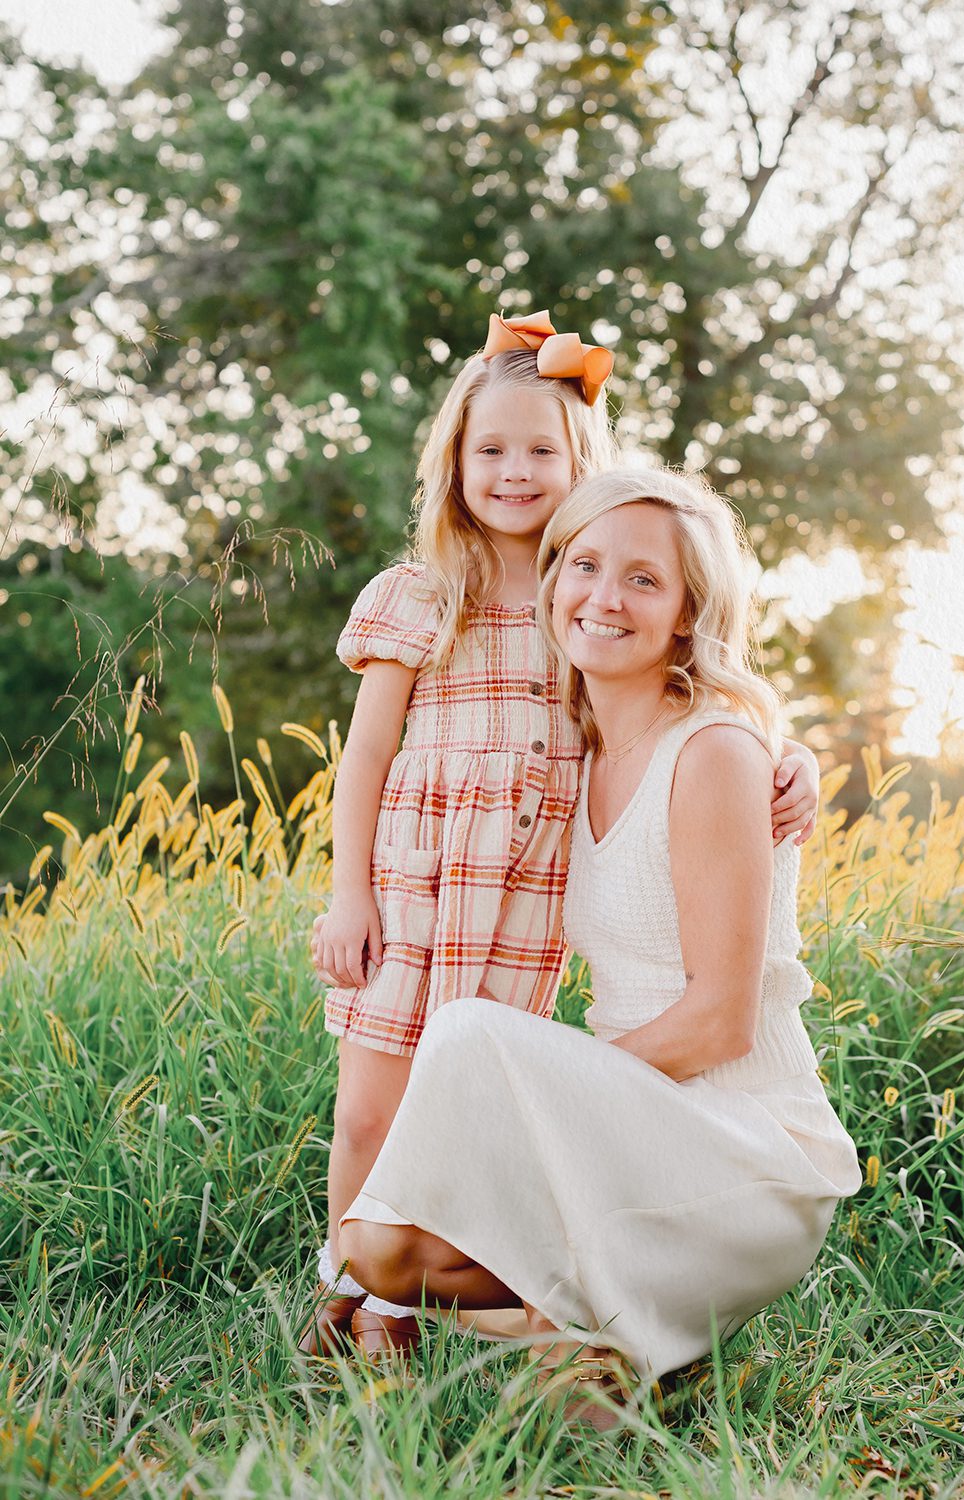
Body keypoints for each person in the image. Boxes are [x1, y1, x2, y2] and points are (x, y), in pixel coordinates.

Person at [301, 312, 822, 1356]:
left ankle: (409, 1305)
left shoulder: (575, 592)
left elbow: (678, 694)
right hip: (419, 877)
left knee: (471, 1111)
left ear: (581, 466)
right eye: (489, 449)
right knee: (370, 1110)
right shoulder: (419, 595)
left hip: (527, 887)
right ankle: (346, 1290)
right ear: (452, 462)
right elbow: (364, 757)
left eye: (542, 450)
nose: (514, 471)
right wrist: (348, 891)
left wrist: (786, 749)